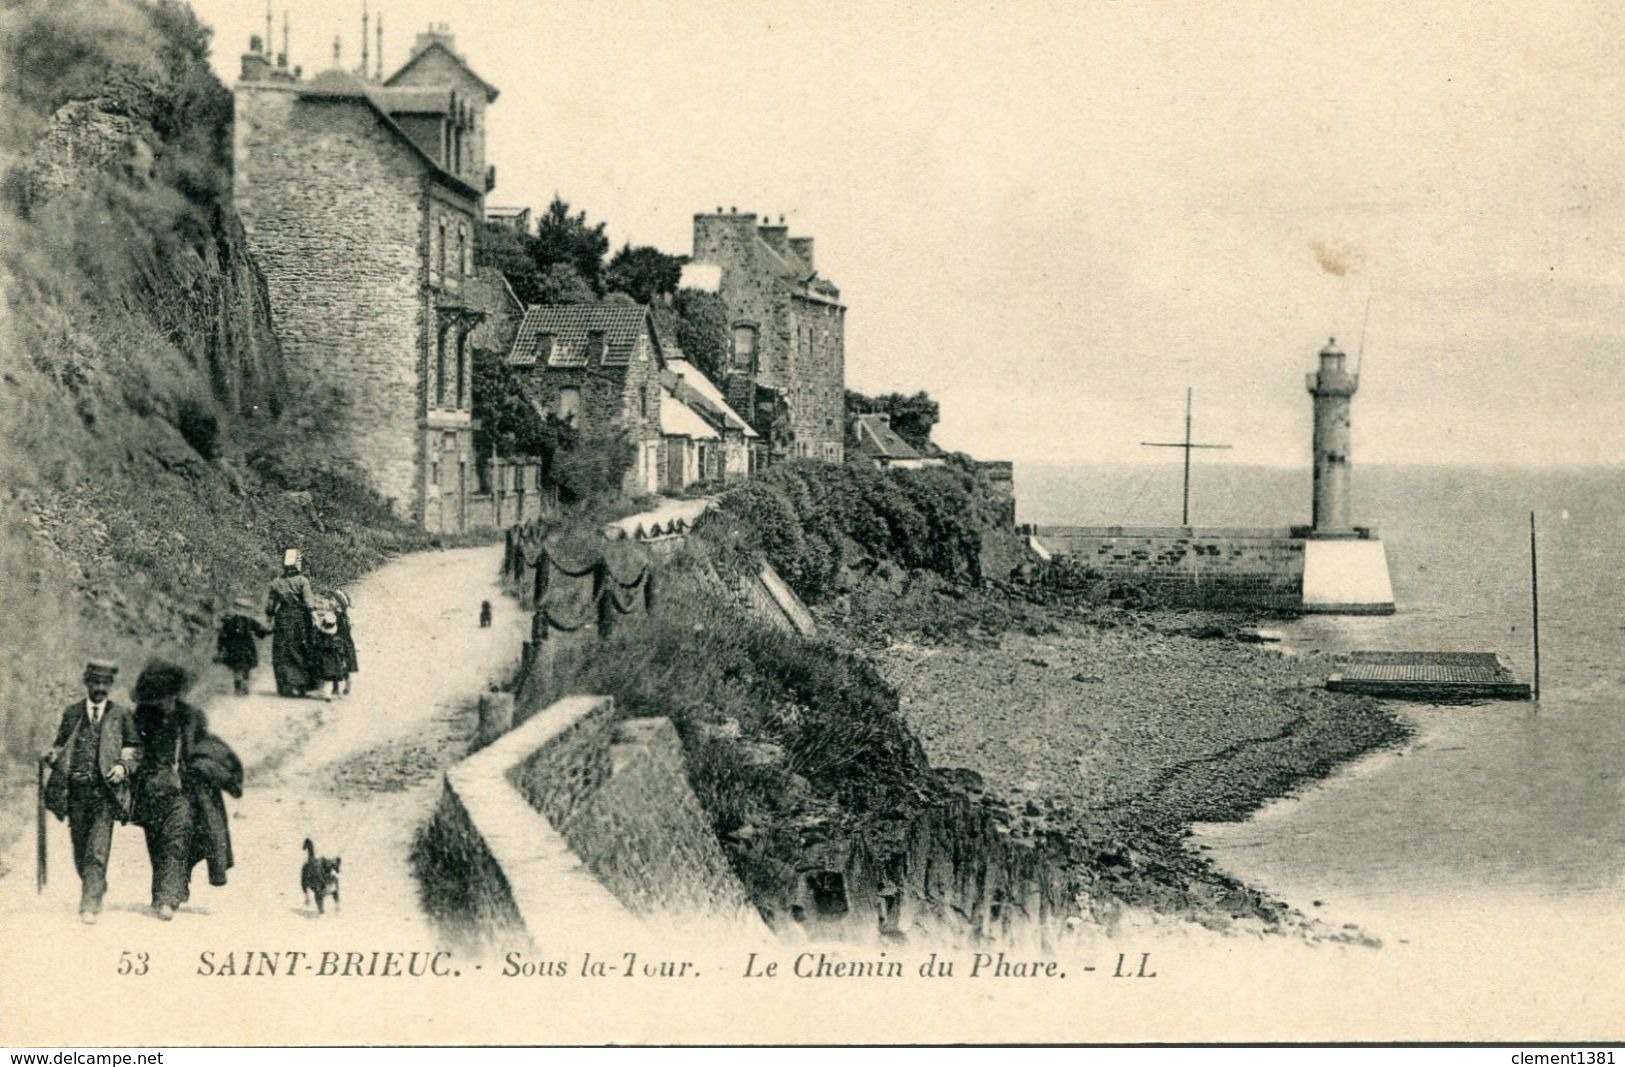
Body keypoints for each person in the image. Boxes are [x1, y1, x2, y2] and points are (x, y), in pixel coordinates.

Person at [41, 659, 141, 923]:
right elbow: (61, 746)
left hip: (105, 793)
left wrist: (123, 767)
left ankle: (89, 903)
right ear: (87, 683)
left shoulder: (121, 715)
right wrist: (51, 754)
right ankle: (95, 886)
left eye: (104, 684)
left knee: (97, 850)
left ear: (110, 686)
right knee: (80, 849)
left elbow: (133, 748)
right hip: (76, 792)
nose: (99, 688)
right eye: (95, 682)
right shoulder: (72, 713)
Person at [129, 660, 210, 920]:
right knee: (156, 841)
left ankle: (167, 898)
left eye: (166, 697)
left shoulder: (190, 718)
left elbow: (203, 751)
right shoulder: (140, 719)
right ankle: (163, 891)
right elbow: (131, 751)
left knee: (176, 838)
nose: (162, 703)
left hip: (182, 791)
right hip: (150, 790)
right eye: (156, 699)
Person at [266, 548, 317, 697]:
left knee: (282, 651)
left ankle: (284, 685)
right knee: (300, 648)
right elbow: (308, 601)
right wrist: (314, 615)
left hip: (282, 618)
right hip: (299, 618)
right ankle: (301, 685)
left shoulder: (276, 582)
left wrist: (270, 617)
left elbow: (270, 606)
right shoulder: (302, 581)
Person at [216, 596, 271, 695]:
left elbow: (223, 635)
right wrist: (267, 631)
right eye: (241, 608)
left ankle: (239, 686)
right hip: (245, 646)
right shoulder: (247, 620)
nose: (242, 610)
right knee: (245, 667)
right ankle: (243, 686)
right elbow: (259, 630)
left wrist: (221, 647)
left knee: (238, 668)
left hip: (235, 646)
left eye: (244, 608)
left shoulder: (230, 620)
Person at [309, 600, 347, 702]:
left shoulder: (321, 638)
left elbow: (316, 645)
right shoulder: (336, 640)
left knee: (326, 679)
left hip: (324, 660)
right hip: (334, 660)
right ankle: (333, 693)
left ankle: (326, 694)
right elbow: (340, 650)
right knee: (333, 678)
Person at [331, 589, 358, 696]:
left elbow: (343, 631)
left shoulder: (341, 617)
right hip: (335, 643)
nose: (330, 602)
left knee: (342, 665)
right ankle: (335, 687)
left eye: (332, 600)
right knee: (333, 664)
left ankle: (347, 683)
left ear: (339, 604)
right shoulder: (334, 614)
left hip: (341, 644)